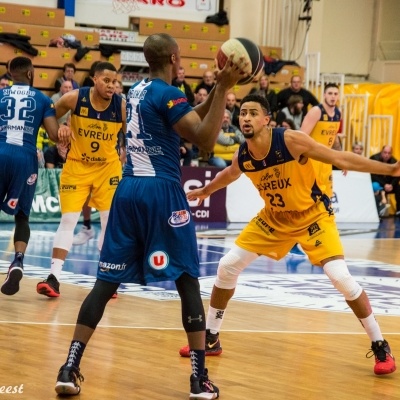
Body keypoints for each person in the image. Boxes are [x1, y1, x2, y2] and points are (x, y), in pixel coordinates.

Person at [53, 32, 246, 398]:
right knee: (187, 279)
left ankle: (69, 367)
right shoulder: (167, 93)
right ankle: (199, 379)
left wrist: (215, 91)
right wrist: (223, 88)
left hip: (128, 191)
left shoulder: (138, 90)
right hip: (162, 191)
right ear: (173, 58)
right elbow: (205, 140)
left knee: (105, 283)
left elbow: (187, 118)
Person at [179, 94, 397, 378]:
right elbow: (231, 174)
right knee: (227, 266)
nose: (245, 118)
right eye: (242, 113)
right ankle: (211, 337)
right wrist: (206, 191)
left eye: (252, 113)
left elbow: (339, 157)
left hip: (313, 216)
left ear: (266, 119)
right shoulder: (243, 154)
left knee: (341, 278)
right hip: (274, 219)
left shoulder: (291, 141)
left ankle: (380, 344)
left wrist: (390, 169)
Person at [36, 61, 126, 298]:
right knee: (68, 220)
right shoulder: (74, 98)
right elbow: (48, 116)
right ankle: (54, 277)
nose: (111, 85)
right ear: (94, 79)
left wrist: (126, 150)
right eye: (106, 80)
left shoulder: (121, 106)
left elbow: (133, 134)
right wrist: (59, 131)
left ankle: (106, 279)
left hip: (108, 168)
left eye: (114, 82)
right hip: (77, 166)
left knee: (108, 221)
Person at [0, 56, 71, 296]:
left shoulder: (1, 95)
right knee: (22, 216)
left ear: (10, 74)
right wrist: (64, 131)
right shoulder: (42, 100)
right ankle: (18, 260)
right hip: (25, 159)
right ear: (31, 74)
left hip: (0, 152)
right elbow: (53, 135)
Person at [288, 83, 342, 257]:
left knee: (326, 203)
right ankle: (293, 241)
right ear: (324, 95)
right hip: (311, 162)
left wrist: (341, 159)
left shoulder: (338, 113)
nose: (333, 96)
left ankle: (321, 238)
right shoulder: (316, 112)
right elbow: (301, 137)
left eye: (335, 93)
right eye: (330, 93)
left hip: (326, 164)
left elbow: (334, 139)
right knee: (306, 203)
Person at [370, 145, 400, 217]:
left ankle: (399, 210)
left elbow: (397, 176)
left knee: (399, 188)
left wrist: (391, 185)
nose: (387, 155)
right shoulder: (374, 159)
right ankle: (377, 211)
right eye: (385, 152)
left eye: (389, 153)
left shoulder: (394, 161)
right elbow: (372, 175)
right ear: (381, 152)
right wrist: (384, 185)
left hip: (389, 185)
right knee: (375, 186)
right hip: (378, 183)